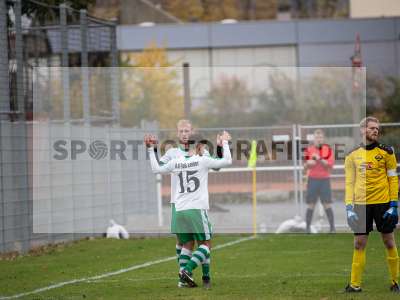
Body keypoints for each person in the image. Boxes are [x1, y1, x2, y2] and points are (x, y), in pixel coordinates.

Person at [144, 119, 223, 288]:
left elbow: (216, 166)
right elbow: (159, 166)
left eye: (187, 131)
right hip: (178, 202)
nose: (184, 134)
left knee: (200, 242)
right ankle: (184, 277)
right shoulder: (172, 152)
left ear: (192, 131)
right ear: (177, 133)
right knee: (184, 242)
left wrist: (220, 148)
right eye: (181, 131)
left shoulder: (202, 150)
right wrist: (154, 149)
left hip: (193, 203)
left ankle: (204, 276)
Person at [344, 116, 399, 293]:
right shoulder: (351, 154)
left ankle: (395, 282)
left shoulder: (387, 152)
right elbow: (349, 182)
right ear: (362, 130)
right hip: (360, 204)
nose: (376, 130)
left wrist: (394, 204)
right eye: (371, 128)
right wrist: (349, 206)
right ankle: (354, 284)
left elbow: (393, 179)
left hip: (383, 203)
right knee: (359, 243)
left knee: (389, 242)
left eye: (377, 128)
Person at [303, 129, 335, 233]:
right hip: (312, 180)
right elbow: (306, 165)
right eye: (316, 137)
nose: (318, 139)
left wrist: (319, 159)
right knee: (311, 204)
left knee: (327, 204)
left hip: (324, 180)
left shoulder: (328, 150)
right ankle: (307, 228)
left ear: (323, 138)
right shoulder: (309, 149)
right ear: (314, 139)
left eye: (320, 137)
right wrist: (309, 163)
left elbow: (329, 165)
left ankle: (332, 228)